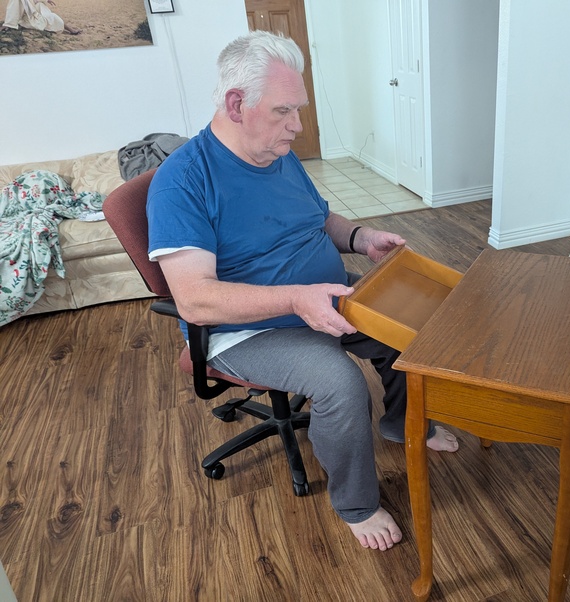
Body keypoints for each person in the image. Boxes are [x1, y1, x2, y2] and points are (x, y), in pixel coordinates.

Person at [146, 30, 459, 552]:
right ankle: (356, 505)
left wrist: (361, 237)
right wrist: (295, 298)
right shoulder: (183, 181)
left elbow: (319, 219)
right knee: (339, 381)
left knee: (409, 327)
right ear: (236, 104)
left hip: (320, 294)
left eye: (300, 109)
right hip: (241, 329)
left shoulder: (277, 152)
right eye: (284, 111)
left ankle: (403, 422)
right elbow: (197, 298)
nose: (297, 125)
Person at [1, 0, 81, 35]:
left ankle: (71, 30)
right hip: (27, 17)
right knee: (48, 19)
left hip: (36, 10)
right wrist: (8, 23)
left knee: (53, 17)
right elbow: (13, 9)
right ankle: (72, 30)